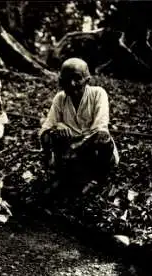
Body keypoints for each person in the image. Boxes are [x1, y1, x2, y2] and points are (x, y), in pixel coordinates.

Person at [39, 57, 119, 186]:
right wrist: (56, 127)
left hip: (91, 152)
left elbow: (99, 129)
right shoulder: (60, 98)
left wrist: (75, 147)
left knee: (103, 139)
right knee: (52, 135)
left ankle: (98, 177)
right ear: (60, 81)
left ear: (87, 80)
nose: (71, 84)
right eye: (66, 80)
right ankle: (64, 173)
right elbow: (44, 131)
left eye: (77, 78)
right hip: (70, 155)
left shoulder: (98, 94)